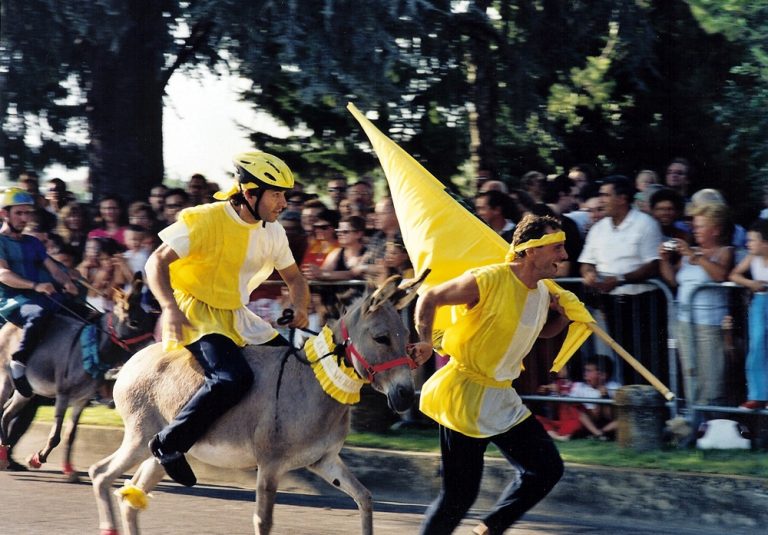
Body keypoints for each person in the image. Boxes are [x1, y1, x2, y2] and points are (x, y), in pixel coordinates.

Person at [145, 151, 309, 488]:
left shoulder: (273, 231)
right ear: (250, 194)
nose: (283, 202)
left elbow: (296, 280)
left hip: (236, 314)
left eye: (284, 194)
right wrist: (169, 308)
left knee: (292, 363)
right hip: (195, 312)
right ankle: (169, 443)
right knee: (231, 378)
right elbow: (155, 264)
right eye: (276, 193)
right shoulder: (205, 219)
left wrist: (301, 306)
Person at [409, 214, 570, 535]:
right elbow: (430, 296)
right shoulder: (488, 279)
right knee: (458, 497)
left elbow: (537, 332)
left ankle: (489, 529)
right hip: (464, 396)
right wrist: (425, 340)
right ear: (530, 250)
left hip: (500, 397)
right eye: (556, 247)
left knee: (546, 469)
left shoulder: (541, 292)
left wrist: (563, 319)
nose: (564, 256)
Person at [579, 175, 664, 382]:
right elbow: (586, 261)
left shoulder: (645, 224)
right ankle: (630, 408)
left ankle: (653, 408)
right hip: (610, 303)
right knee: (622, 358)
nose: (601, 200)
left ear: (622, 198)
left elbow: (653, 265)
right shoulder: (599, 229)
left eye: (606, 195)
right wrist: (588, 274)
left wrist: (620, 278)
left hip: (642, 304)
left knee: (647, 359)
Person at [0, 187, 79, 397]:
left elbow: (54, 269)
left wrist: (67, 282)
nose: (24, 218)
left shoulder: (33, 242)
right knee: (38, 313)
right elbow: (3, 274)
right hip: (13, 301)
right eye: (19, 213)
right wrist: (35, 286)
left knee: (82, 313)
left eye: (28, 213)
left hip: (40, 296)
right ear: (4, 214)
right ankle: (19, 361)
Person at [660, 203, 734, 407]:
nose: (695, 230)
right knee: (690, 374)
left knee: (712, 378)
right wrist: (664, 260)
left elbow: (720, 275)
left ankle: (714, 424)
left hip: (710, 325)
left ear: (716, 229)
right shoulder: (689, 251)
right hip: (684, 322)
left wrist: (695, 257)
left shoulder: (724, 251)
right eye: (695, 226)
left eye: (701, 226)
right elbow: (673, 281)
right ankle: (695, 423)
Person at [729, 219, 768, 409]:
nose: (748, 244)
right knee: (757, 347)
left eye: (753, 240)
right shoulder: (752, 257)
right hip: (760, 302)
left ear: (765, 242)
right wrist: (752, 284)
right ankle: (758, 395)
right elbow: (734, 275)